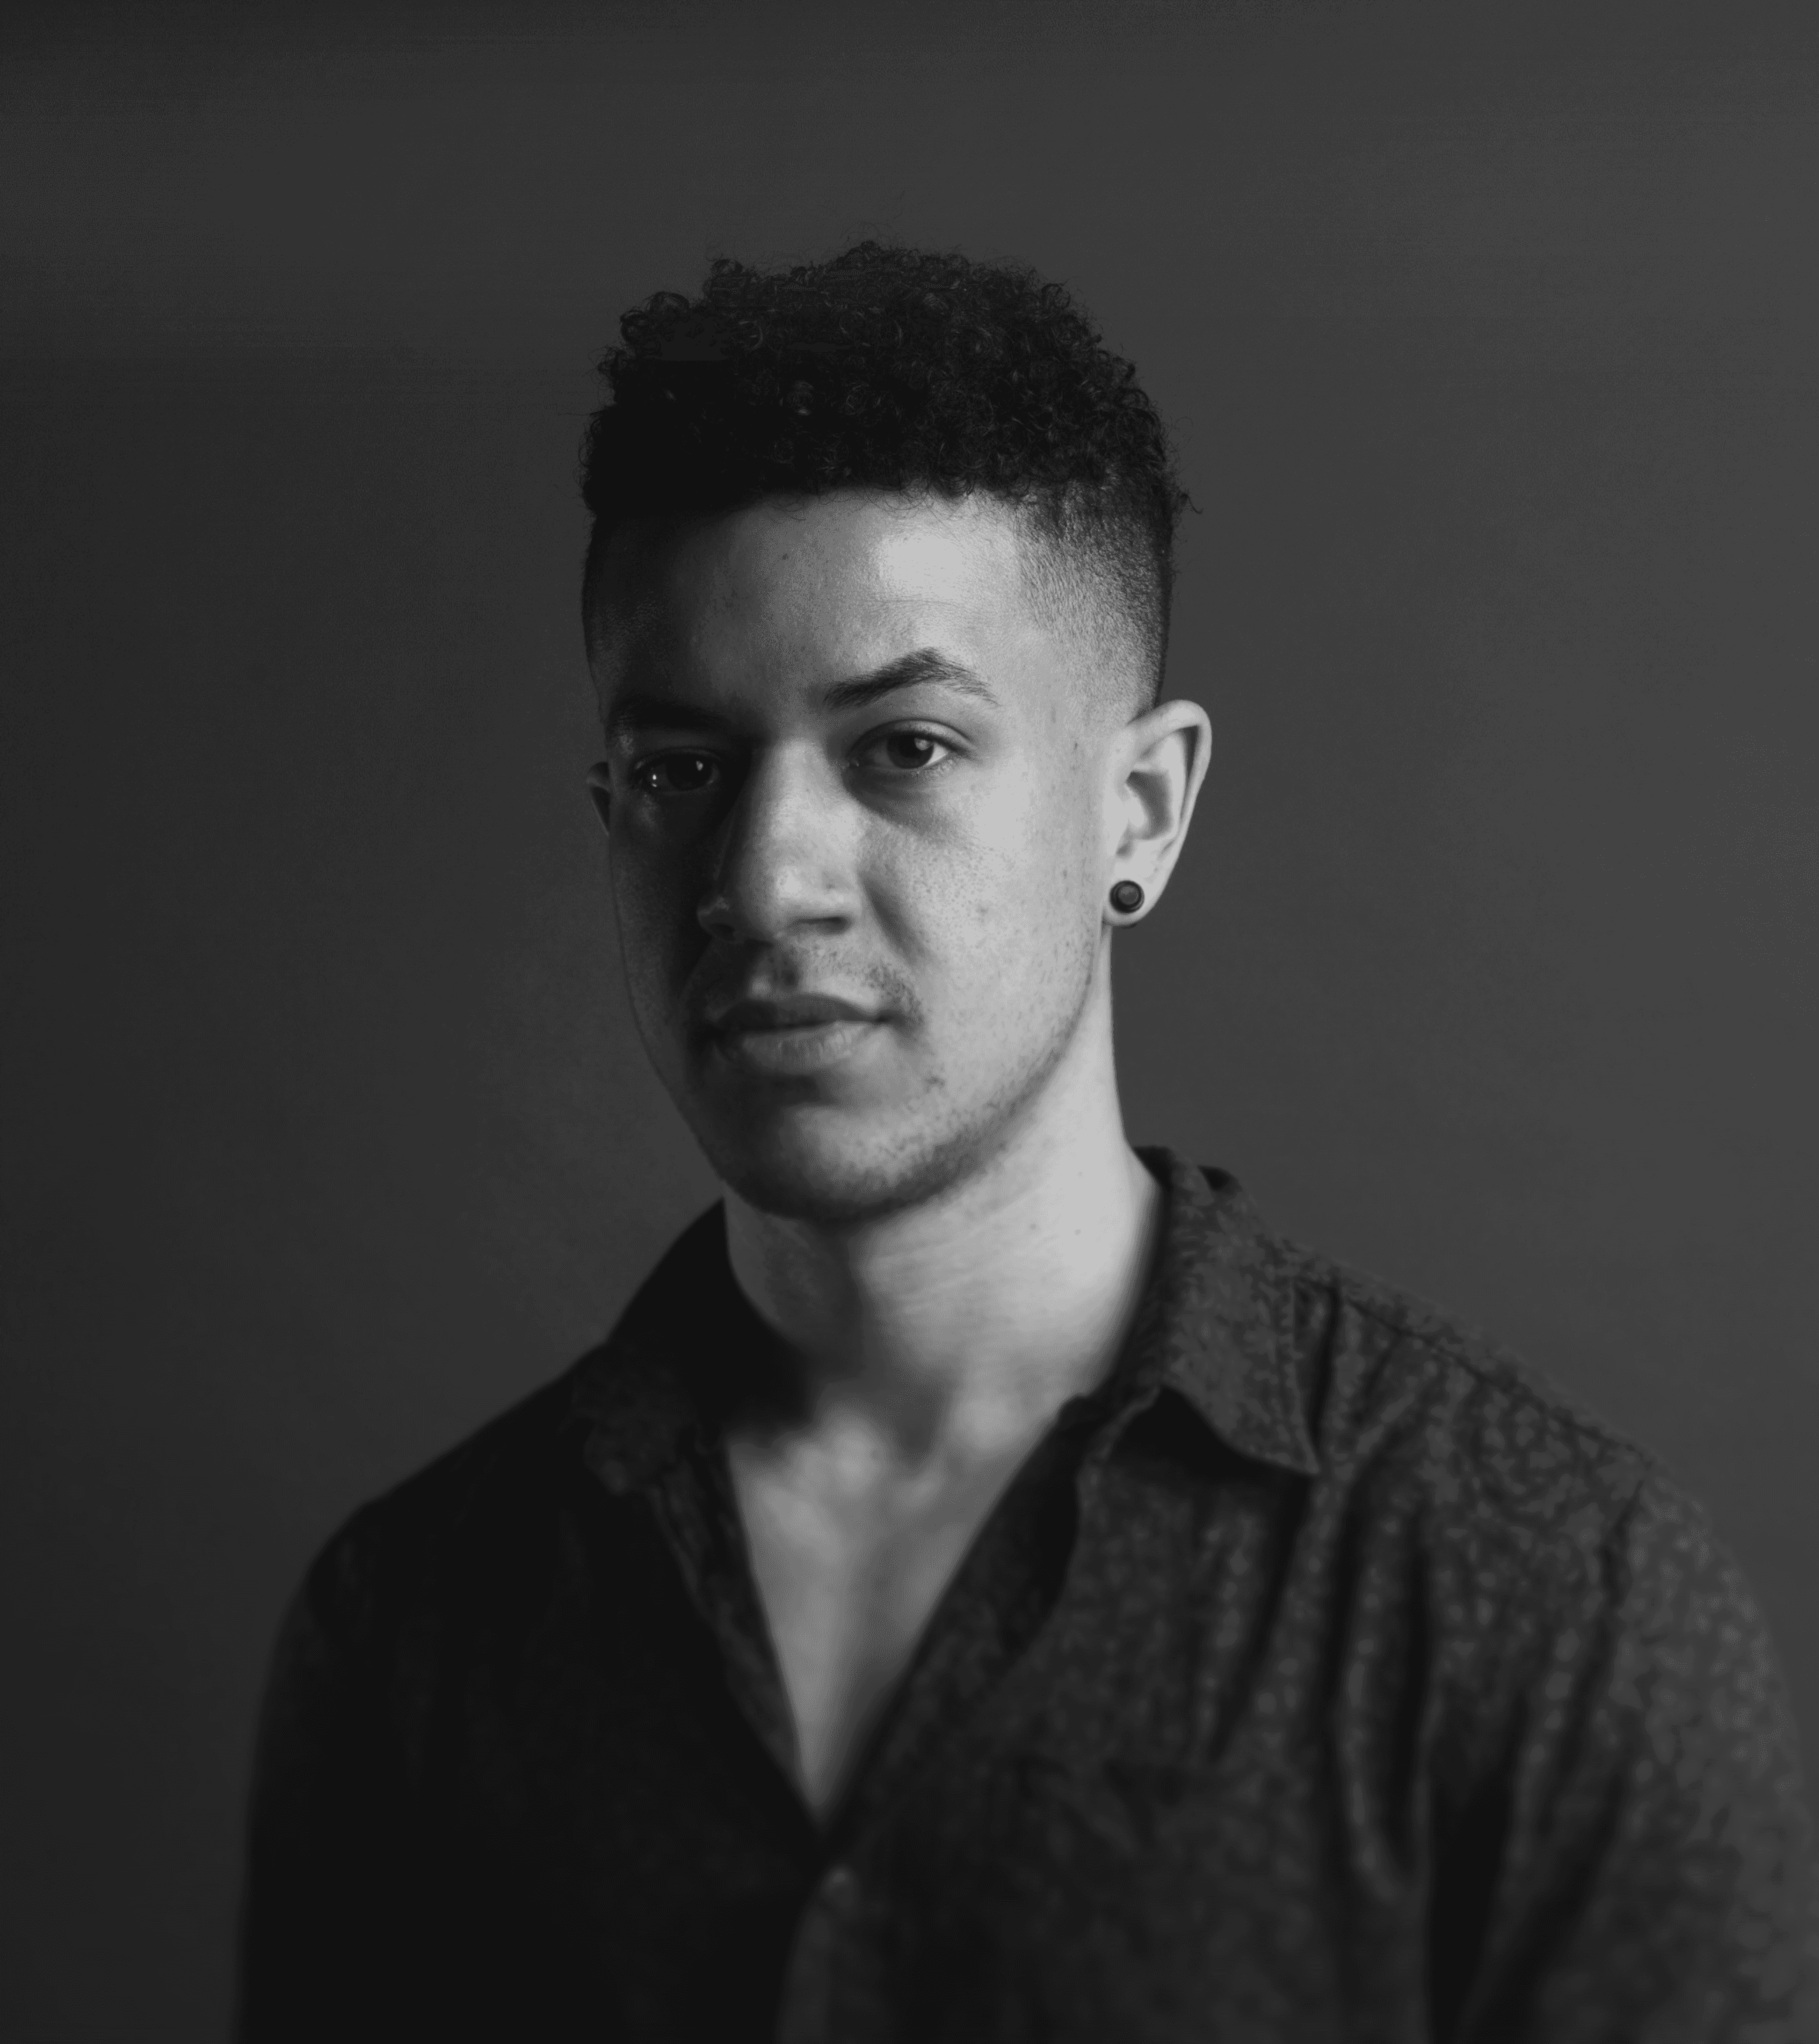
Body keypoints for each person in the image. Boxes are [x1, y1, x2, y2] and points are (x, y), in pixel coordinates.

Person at [236, 239, 1818, 2043]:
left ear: (1139, 809)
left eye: (904, 747)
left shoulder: (1539, 1599)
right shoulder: (415, 1628)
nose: (767, 877)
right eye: (681, 769)